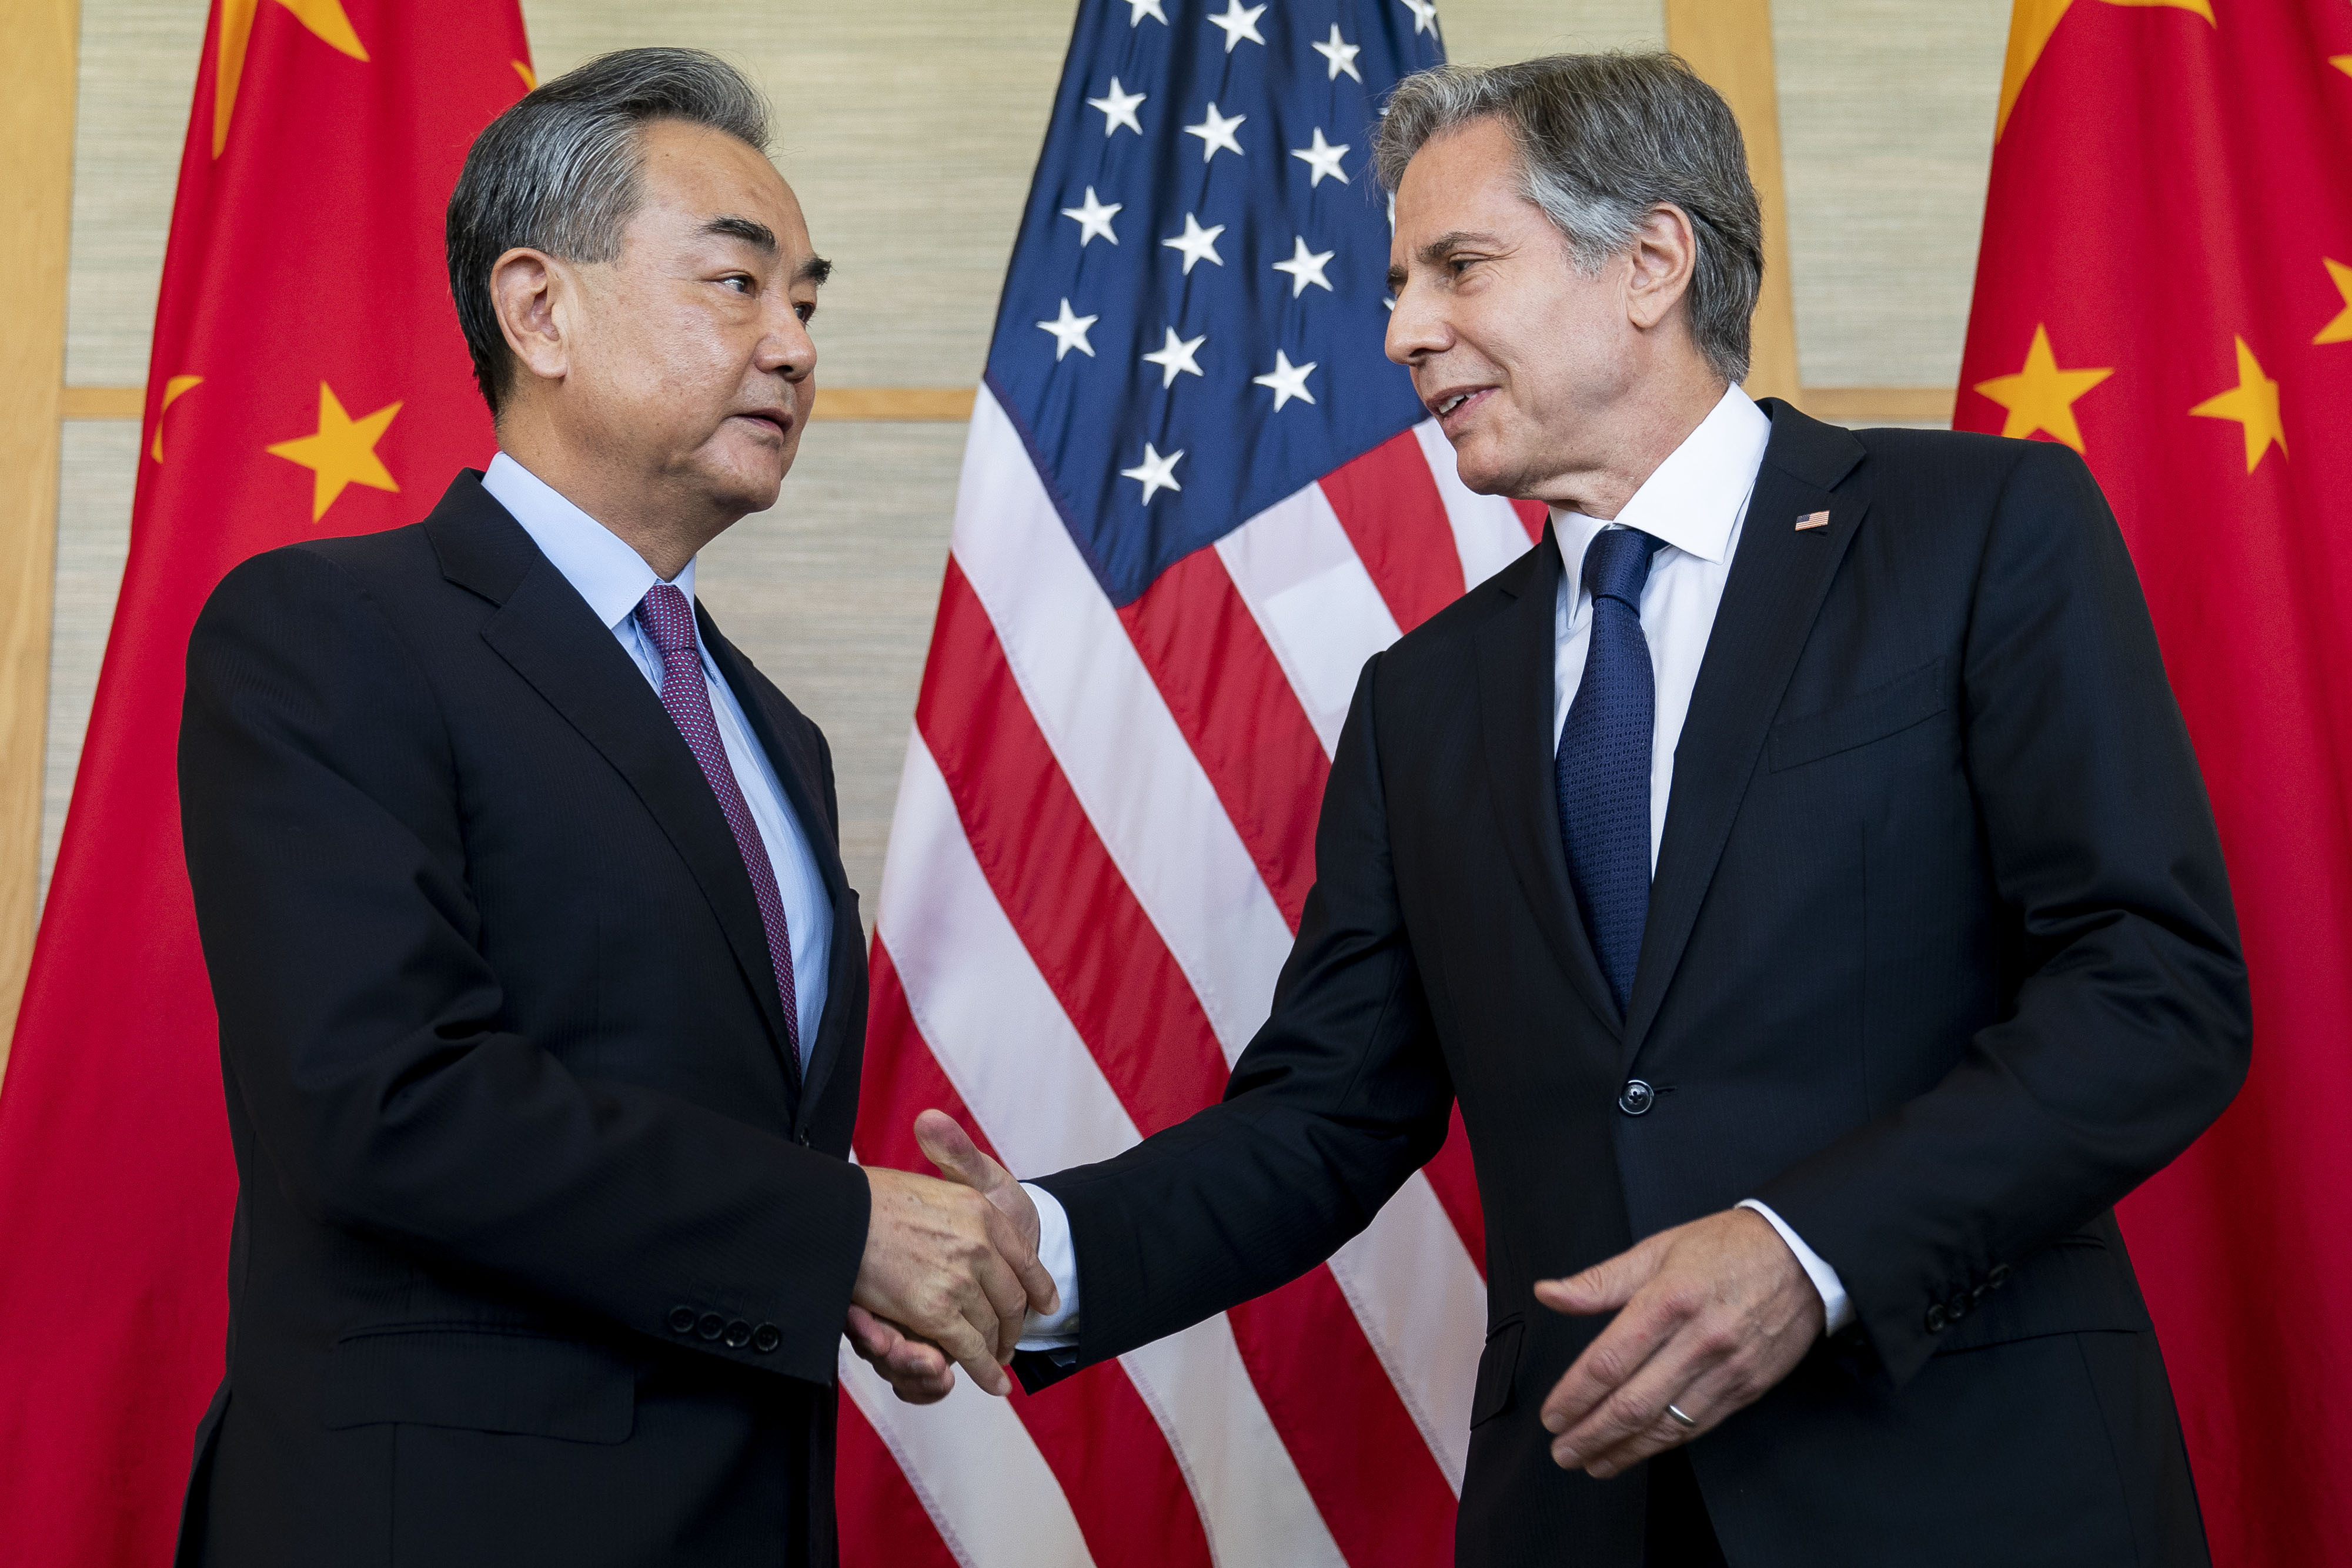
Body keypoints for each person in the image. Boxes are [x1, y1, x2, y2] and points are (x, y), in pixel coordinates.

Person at [858, 52, 2250, 1566]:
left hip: (1971, 1485)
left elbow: (2152, 988)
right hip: (1589, 1510)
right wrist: (1043, 1249)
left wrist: (1806, 1250)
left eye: (1457, 266)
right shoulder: (1424, 697)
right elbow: (1329, 1114)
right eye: (1398, 282)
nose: (1400, 331)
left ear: (1649, 261)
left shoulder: (1977, 531)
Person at [173, 48, 1050, 1568]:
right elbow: (386, 1103)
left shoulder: (767, 727)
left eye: (810, 303)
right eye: (737, 284)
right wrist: (835, 1228)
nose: (791, 345)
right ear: (538, 309)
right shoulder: (327, 630)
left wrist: (842, 1275)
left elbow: (713, 1134)